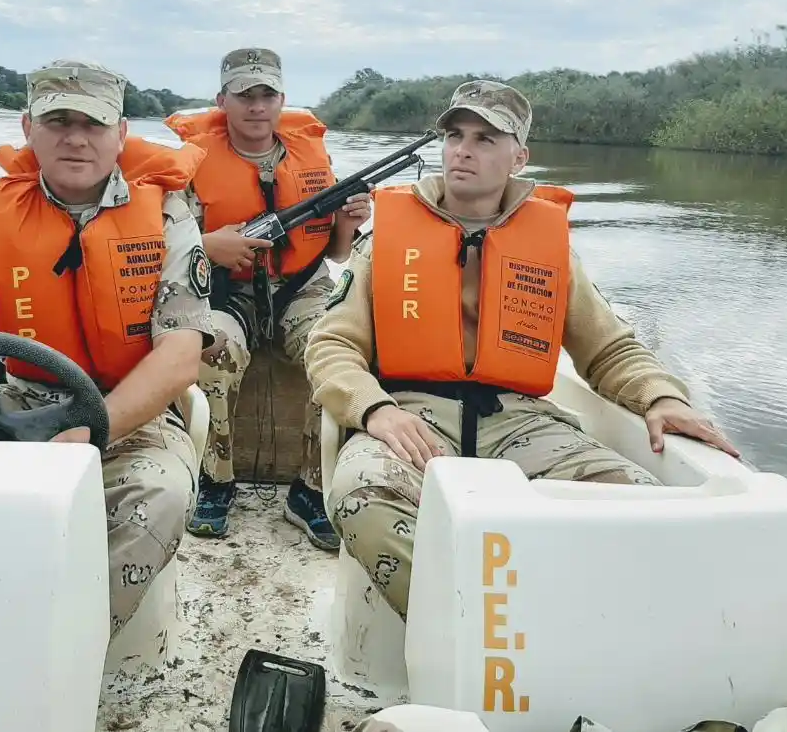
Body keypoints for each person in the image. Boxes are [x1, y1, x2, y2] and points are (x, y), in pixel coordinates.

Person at [305, 79, 741, 618]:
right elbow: (330, 344)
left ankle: (557, 626)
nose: (463, 149)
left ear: (519, 156)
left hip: (520, 422)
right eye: (456, 135)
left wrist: (661, 398)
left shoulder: (550, 245)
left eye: (487, 139)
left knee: (641, 505)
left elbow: (609, 349)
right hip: (412, 414)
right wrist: (373, 409)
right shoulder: (384, 240)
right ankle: (466, 631)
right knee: (361, 495)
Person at [0, 59, 216, 638]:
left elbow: (182, 354)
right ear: (28, 128)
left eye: (94, 123)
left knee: (157, 497)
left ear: (121, 134)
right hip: (12, 397)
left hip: (130, 413)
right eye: (58, 121)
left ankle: (55, 643)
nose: (76, 138)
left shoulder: (167, 210)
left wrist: (95, 428)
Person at [163, 47, 371, 549]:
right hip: (222, 290)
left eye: (267, 95)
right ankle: (216, 480)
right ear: (222, 100)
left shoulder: (312, 160)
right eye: (245, 95)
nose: (257, 106)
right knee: (211, 349)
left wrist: (348, 223)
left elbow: (338, 254)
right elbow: (161, 246)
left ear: (281, 100)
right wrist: (210, 247)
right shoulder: (188, 165)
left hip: (301, 287)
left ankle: (310, 488)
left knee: (333, 350)